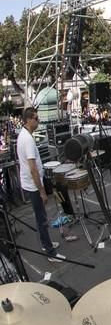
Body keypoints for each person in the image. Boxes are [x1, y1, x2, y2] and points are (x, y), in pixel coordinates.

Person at [17, 108, 63, 262]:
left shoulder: (24, 135)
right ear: (29, 119)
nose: (38, 121)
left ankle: (45, 243)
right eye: (36, 118)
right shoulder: (28, 140)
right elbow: (33, 169)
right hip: (33, 185)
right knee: (42, 218)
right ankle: (50, 253)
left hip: (30, 184)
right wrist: (42, 191)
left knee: (40, 217)